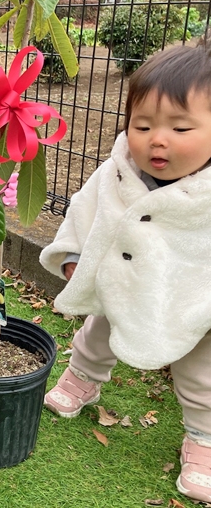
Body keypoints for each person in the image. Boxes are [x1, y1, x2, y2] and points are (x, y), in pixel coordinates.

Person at [39, 42, 211, 504]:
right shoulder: (118, 172)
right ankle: (82, 379)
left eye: (180, 127)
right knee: (97, 332)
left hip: (194, 299)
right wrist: (75, 257)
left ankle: (204, 438)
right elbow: (84, 210)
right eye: (143, 125)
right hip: (122, 282)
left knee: (201, 372)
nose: (158, 139)